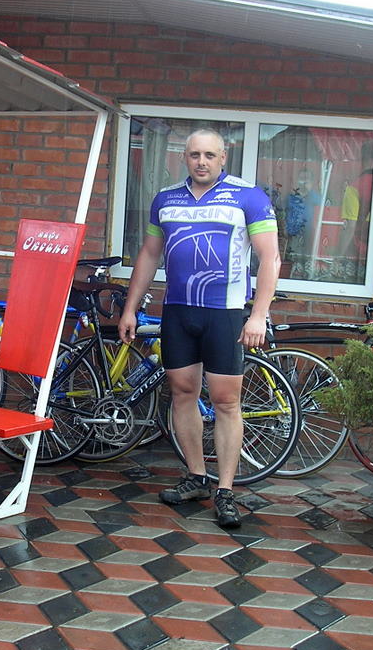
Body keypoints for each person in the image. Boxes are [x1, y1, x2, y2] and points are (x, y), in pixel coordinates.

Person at [120, 129, 280, 529]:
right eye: (194, 155)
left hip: (224, 313)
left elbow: (270, 258)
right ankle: (196, 476)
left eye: (209, 155)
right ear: (184, 157)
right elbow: (149, 254)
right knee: (182, 393)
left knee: (226, 402)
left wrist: (258, 314)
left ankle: (225, 490)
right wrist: (130, 309)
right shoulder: (166, 199)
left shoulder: (248, 197)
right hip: (178, 311)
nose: (201, 162)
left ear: (223, 157)